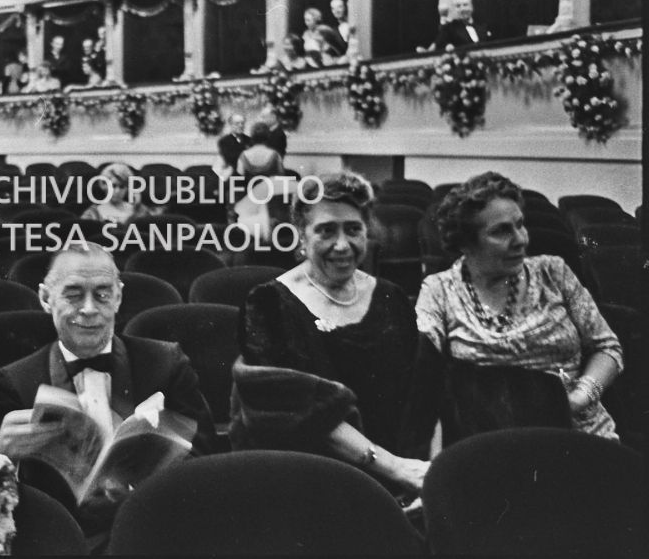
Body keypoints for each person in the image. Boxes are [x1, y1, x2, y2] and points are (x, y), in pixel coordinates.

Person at [0, 245, 216, 538]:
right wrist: (1, 453)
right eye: (72, 294)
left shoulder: (166, 363)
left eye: (102, 294)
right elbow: (2, 499)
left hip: (150, 530)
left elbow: (206, 457)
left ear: (119, 297)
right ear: (46, 298)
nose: (89, 309)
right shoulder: (15, 380)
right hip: (62, 540)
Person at [231, 172, 428, 496]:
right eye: (325, 231)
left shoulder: (391, 297)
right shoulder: (267, 303)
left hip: (395, 480)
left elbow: (413, 401)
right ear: (301, 237)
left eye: (353, 229)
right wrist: (393, 467)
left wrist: (412, 473)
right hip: (307, 481)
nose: (342, 245)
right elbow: (293, 415)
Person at [401, 172, 624, 451]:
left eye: (520, 225)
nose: (521, 240)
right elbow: (426, 375)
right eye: (501, 231)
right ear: (464, 243)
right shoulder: (440, 290)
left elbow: (607, 347)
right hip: (487, 443)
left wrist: (580, 397)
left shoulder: (554, 273)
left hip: (575, 432)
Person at [80, 162, 152, 224]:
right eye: (113, 186)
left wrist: (138, 208)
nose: (117, 191)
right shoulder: (92, 213)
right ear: (104, 186)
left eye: (122, 187)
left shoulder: (138, 211)